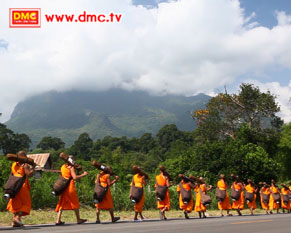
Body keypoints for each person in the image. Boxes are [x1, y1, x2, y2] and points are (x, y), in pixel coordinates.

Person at [55, 155, 88, 225]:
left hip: (63, 187)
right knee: (75, 203)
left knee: (62, 203)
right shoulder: (71, 168)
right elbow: (75, 177)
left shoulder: (63, 166)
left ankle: (58, 220)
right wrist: (83, 174)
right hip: (70, 187)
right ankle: (78, 219)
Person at [6, 151, 34, 227]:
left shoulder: (14, 164)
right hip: (22, 186)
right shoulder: (24, 165)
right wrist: (32, 169)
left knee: (16, 204)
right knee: (25, 204)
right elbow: (29, 174)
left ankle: (14, 222)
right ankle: (17, 218)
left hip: (14, 186)